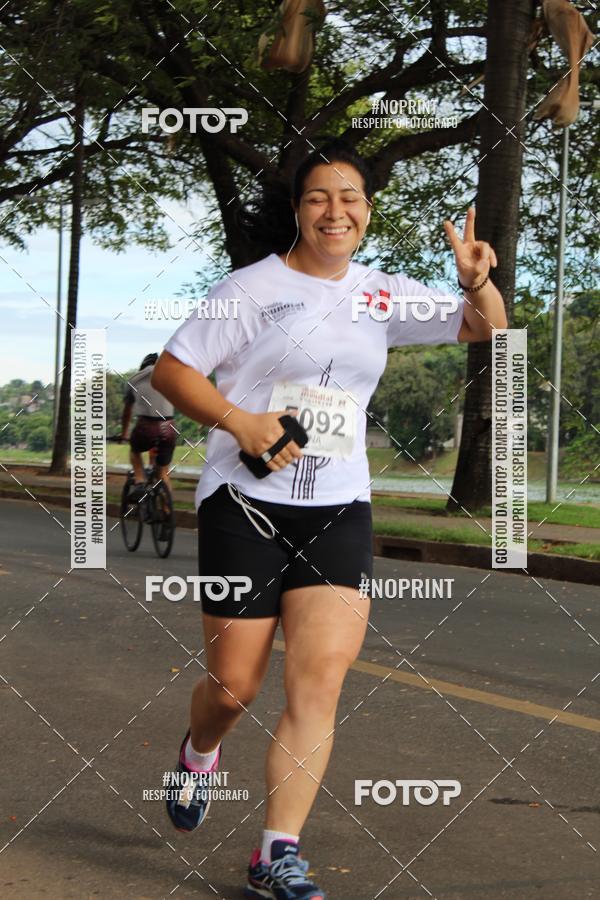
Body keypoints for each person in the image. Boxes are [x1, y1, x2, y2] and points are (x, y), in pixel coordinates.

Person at [152, 139, 507, 900]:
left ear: (366, 212)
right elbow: (172, 370)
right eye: (318, 197)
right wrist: (241, 421)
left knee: (318, 685)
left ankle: (276, 851)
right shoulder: (248, 288)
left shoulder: (383, 293)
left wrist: (477, 284)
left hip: (338, 505)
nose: (334, 210)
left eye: (349, 197)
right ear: (298, 209)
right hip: (243, 502)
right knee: (235, 686)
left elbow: (484, 329)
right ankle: (200, 749)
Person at [120, 352, 177, 501]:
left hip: (146, 427)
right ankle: (167, 513)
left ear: (143, 366)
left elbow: (127, 412)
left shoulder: (134, 379)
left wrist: (124, 434)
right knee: (163, 472)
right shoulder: (170, 376)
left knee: (135, 451)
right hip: (169, 427)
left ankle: (139, 482)